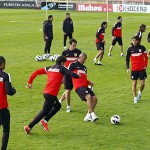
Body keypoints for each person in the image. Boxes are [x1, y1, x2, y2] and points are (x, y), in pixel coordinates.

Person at [24, 56, 79, 134]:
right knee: (44, 112)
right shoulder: (62, 68)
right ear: (62, 63)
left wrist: (29, 82)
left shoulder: (49, 68)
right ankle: (29, 127)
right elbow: (71, 74)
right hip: (51, 95)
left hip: (46, 92)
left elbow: (36, 72)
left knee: (58, 106)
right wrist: (78, 75)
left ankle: (45, 121)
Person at [69, 53, 98, 122]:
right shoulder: (73, 64)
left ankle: (88, 116)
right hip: (78, 86)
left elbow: (84, 78)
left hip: (85, 86)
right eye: (83, 59)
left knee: (95, 99)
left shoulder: (84, 68)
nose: (84, 61)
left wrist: (89, 82)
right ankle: (93, 114)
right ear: (80, 57)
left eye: (85, 60)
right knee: (88, 97)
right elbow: (68, 73)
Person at [59, 39, 81, 113]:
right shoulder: (65, 53)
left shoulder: (78, 52)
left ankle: (59, 101)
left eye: (75, 45)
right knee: (68, 90)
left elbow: (80, 63)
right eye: (73, 45)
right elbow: (61, 64)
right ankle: (68, 106)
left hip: (75, 74)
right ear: (70, 44)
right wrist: (62, 75)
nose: (74, 47)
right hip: (67, 73)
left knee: (68, 90)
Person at [126, 36, 148, 104]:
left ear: (138, 41)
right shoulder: (130, 49)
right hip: (134, 69)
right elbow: (127, 59)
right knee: (134, 83)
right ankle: (135, 97)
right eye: (133, 40)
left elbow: (146, 57)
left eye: (135, 40)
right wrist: (127, 68)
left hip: (141, 68)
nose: (134, 42)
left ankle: (140, 93)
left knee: (142, 84)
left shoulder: (142, 47)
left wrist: (145, 65)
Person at [0, 56, 16, 150]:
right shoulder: (5, 75)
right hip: (2, 108)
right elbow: (9, 91)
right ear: (2, 64)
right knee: (6, 130)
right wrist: (14, 90)